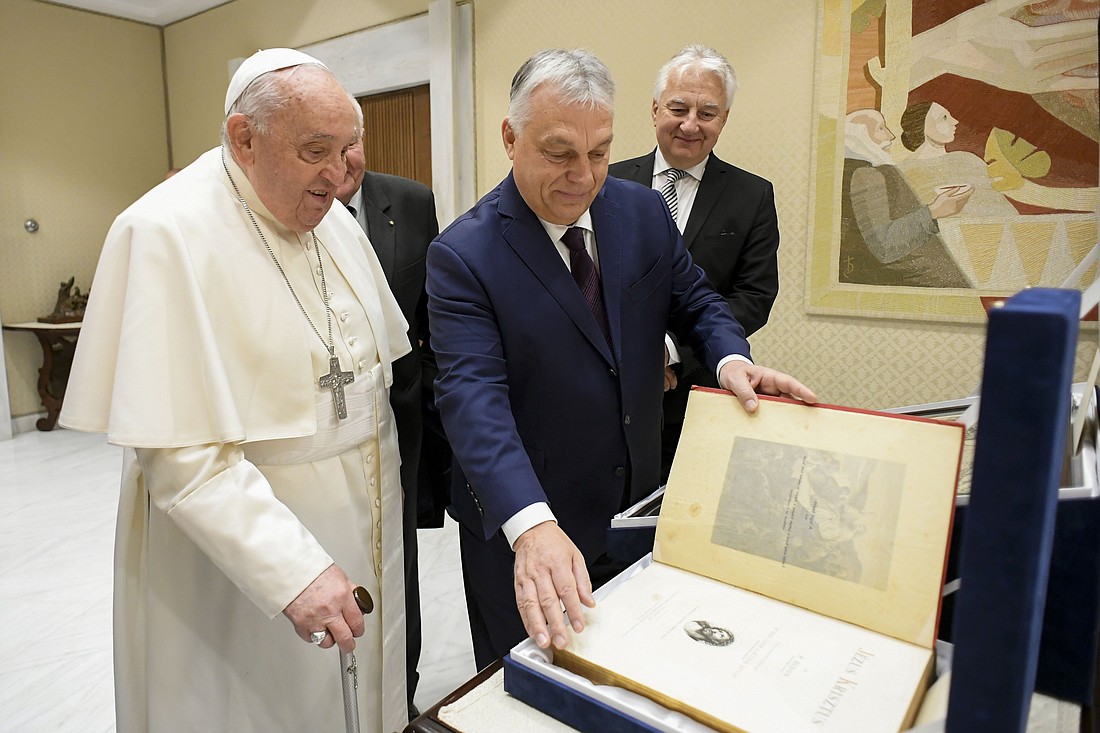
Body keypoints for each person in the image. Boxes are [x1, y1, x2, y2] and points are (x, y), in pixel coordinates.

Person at [426, 48, 816, 670]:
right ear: (510, 137)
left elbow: (697, 302)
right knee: (530, 690)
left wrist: (729, 361)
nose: (583, 175)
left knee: (629, 672)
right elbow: (474, 402)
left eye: (599, 151)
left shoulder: (638, 210)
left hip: (634, 508)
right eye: (559, 153)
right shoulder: (463, 255)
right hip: (529, 528)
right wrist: (530, 525)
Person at [59, 49, 411, 733]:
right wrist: (290, 570)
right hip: (244, 557)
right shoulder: (164, 231)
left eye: (348, 149)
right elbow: (182, 455)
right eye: (317, 151)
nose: (339, 178)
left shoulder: (330, 216)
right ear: (245, 138)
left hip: (364, 511)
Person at [608, 44, 780, 482]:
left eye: (707, 113)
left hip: (702, 391)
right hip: (612, 393)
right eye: (678, 108)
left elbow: (754, 297)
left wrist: (668, 350)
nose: (690, 125)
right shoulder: (606, 183)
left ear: (724, 119)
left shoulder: (752, 195)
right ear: (654, 109)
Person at [334, 139, 441, 717]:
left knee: (397, 563)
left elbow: (431, 317)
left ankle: (402, 694)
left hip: (399, 425)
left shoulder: (410, 200)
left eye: (351, 144)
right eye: (321, 146)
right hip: (314, 439)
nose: (341, 161)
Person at [840, 108, 972, 287]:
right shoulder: (866, 174)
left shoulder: (861, 171)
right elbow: (884, 247)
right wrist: (934, 212)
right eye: (880, 129)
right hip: (916, 283)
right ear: (858, 139)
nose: (891, 135)